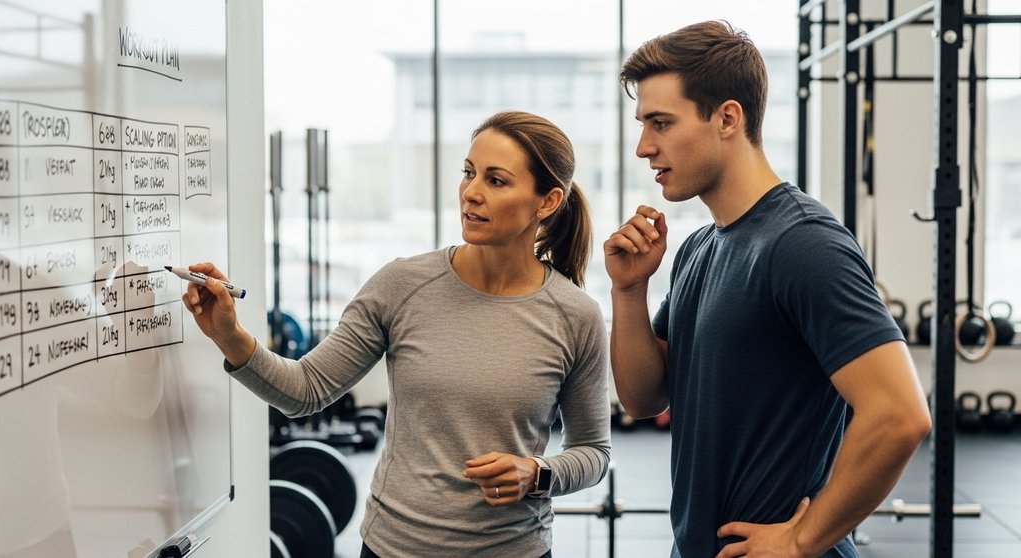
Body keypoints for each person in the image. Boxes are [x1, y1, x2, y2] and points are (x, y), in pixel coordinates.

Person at [182, 110, 610, 558]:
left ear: (547, 201)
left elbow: (592, 452)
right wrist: (228, 335)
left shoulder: (575, 315)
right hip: (395, 548)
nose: (471, 193)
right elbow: (304, 392)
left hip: (515, 550)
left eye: (496, 181)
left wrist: (537, 472)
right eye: (468, 173)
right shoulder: (402, 285)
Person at [604, 20, 931, 557]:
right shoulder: (701, 248)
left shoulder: (802, 242)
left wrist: (803, 539)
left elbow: (900, 415)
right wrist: (628, 292)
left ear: (728, 118)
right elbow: (644, 398)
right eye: (643, 124)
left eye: (660, 123)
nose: (644, 146)